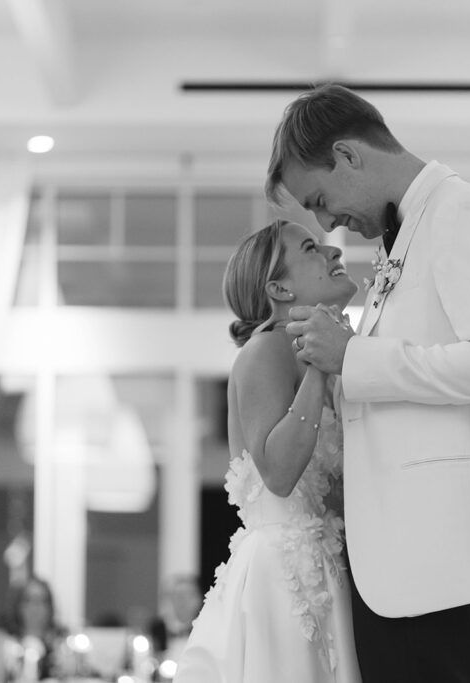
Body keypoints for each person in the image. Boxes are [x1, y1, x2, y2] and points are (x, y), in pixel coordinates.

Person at [269, 83, 470, 682]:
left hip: (437, 559)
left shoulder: (462, 212)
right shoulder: (406, 235)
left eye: (320, 198)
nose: (328, 222)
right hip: (408, 561)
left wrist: (356, 358)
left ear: (349, 155)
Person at [175, 220, 361, 682]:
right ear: (279, 287)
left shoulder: (319, 357)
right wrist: (319, 368)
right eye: (311, 248)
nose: (333, 253)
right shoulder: (265, 351)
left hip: (329, 569)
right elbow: (278, 472)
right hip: (281, 577)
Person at [0, 577, 71, 682]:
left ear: (49, 606)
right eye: (29, 600)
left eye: (41, 600)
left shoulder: (60, 639)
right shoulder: (5, 638)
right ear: (18, 605)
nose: (35, 607)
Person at [148, 574, 202, 660]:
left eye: (187, 595)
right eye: (178, 596)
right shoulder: (158, 628)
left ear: (197, 600)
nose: (182, 601)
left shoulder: (203, 629)